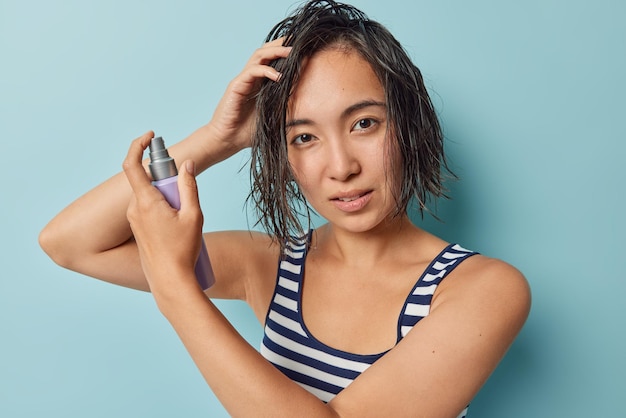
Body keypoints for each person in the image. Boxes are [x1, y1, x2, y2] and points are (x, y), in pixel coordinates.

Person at [39, 1, 531, 416]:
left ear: (407, 125)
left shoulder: (482, 289)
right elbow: (69, 244)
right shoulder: (270, 265)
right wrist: (219, 138)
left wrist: (176, 291)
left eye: (363, 124)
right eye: (304, 137)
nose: (340, 167)